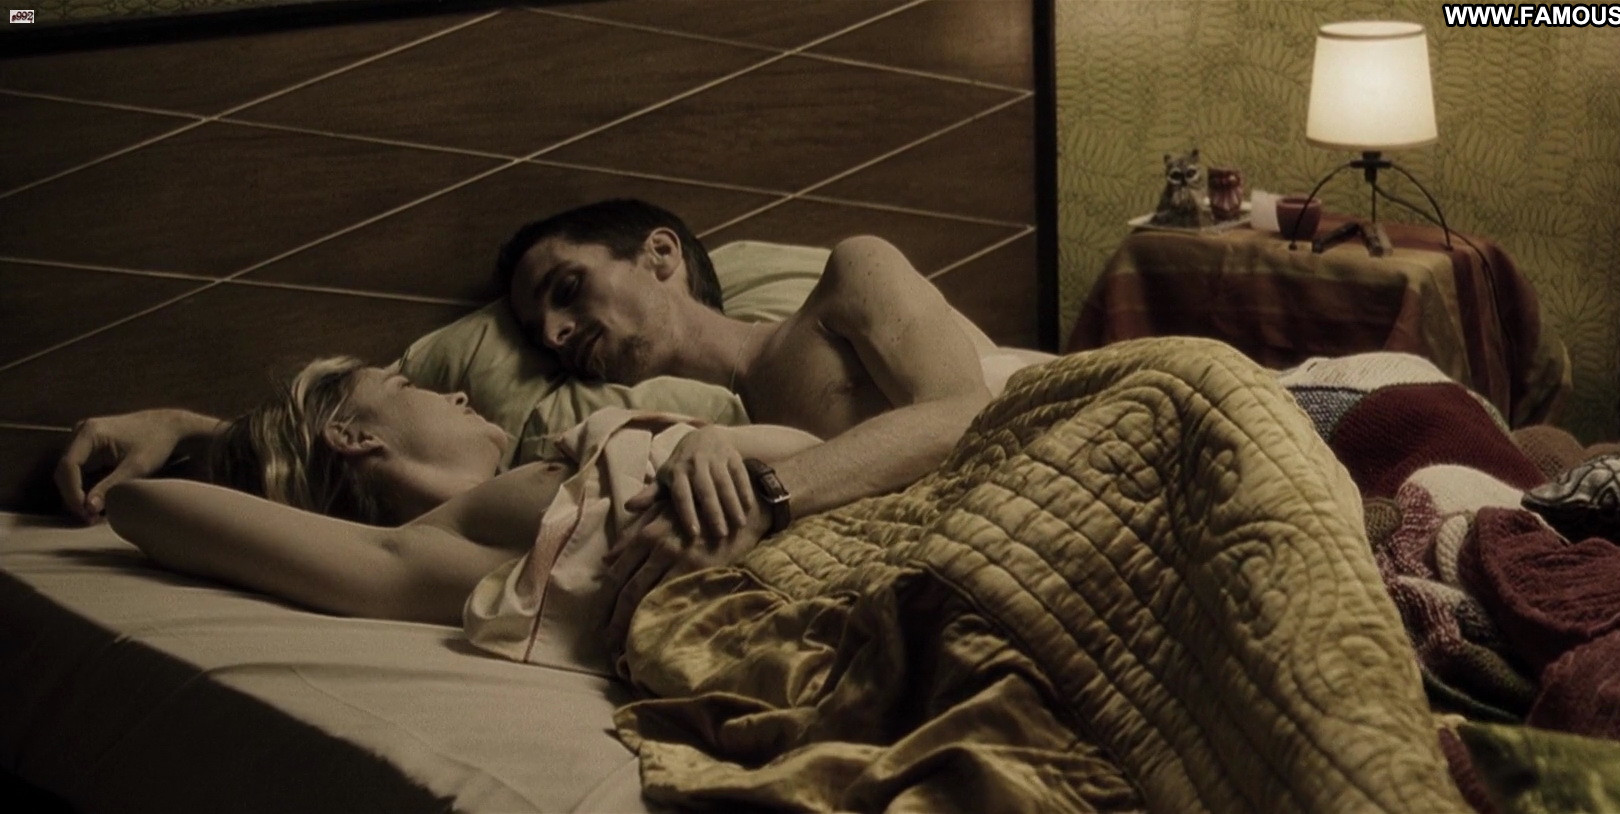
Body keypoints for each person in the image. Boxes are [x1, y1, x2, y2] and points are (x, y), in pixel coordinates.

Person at [60, 198, 1049, 561]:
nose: (561, 333)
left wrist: (774, 491)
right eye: (542, 329)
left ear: (660, 254)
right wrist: (195, 425)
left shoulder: (848, 277)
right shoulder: (649, 432)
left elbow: (965, 416)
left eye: (568, 291)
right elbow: (360, 446)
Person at [102, 356, 821, 625]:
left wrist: (711, 443)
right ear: (352, 437)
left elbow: (818, 455)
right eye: (406, 386)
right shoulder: (428, 553)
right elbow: (142, 508)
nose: (453, 393)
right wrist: (184, 426)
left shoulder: (558, 460)